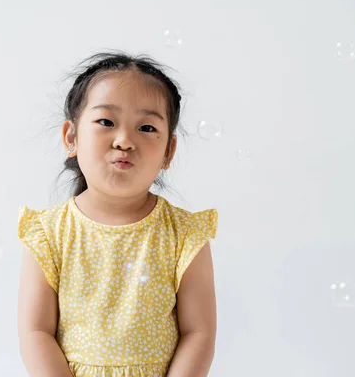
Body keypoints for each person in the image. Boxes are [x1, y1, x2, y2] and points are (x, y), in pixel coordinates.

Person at [17, 51, 218, 377]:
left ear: (169, 151)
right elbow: (35, 332)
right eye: (106, 122)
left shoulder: (184, 235)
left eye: (147, 127)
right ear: (71, 137)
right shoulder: (48, 232)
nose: (125, 140)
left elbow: (199, 333)